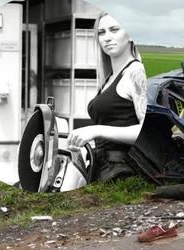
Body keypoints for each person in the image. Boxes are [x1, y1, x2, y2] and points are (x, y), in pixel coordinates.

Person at [67, 12, 146, 183]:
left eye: (114, 30)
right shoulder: (109, 77)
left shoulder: (135, 72)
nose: (107, 38)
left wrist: (96, 130)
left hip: (122, 169)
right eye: (101, 33)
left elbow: (146, 130)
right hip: (101, 164)